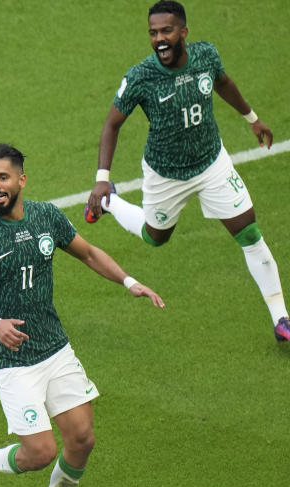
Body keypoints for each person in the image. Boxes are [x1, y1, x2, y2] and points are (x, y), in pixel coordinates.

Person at [0, 143, 164, 487]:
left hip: (55, 348)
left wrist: (129, 282)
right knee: (41, 452)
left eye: (3, 177)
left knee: (82, 439)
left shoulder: (46, 216)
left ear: (21, 180)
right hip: (13, 361)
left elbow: (89, 253)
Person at [85, 0, 289, 342]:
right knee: (155, 237)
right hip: (166, 175)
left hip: (212, 163)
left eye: (166, 31)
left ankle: (281, 318)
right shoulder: (141, 77)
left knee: (249, 234)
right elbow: (111, 125)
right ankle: (110, 203)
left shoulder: (206, 55)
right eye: (153, 33)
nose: (159, 39)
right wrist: (102, 180)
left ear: (184, 32)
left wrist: (252, 119)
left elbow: (223, 83)